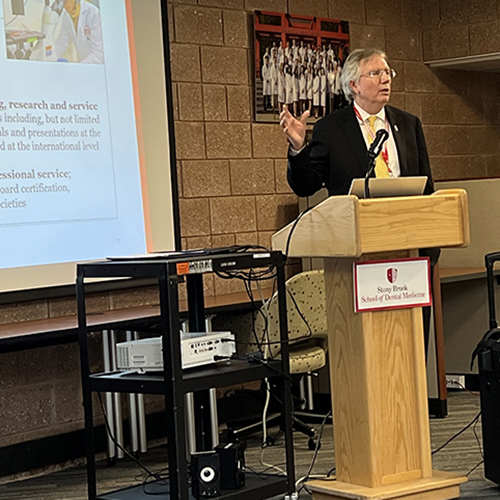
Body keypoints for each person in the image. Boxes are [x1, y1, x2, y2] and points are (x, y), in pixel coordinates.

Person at [280, 47, 438, 350]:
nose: (385, 79)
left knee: (412, 347)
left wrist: (429, 253)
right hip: (357, 257)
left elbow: (426, 188)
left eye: (387, 72)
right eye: (375, 73)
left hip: (409, 255)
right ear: (353, 84)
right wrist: (298, 149)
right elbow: (306, 185)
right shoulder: (330, 128)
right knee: (369, 347)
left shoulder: (408, 124)